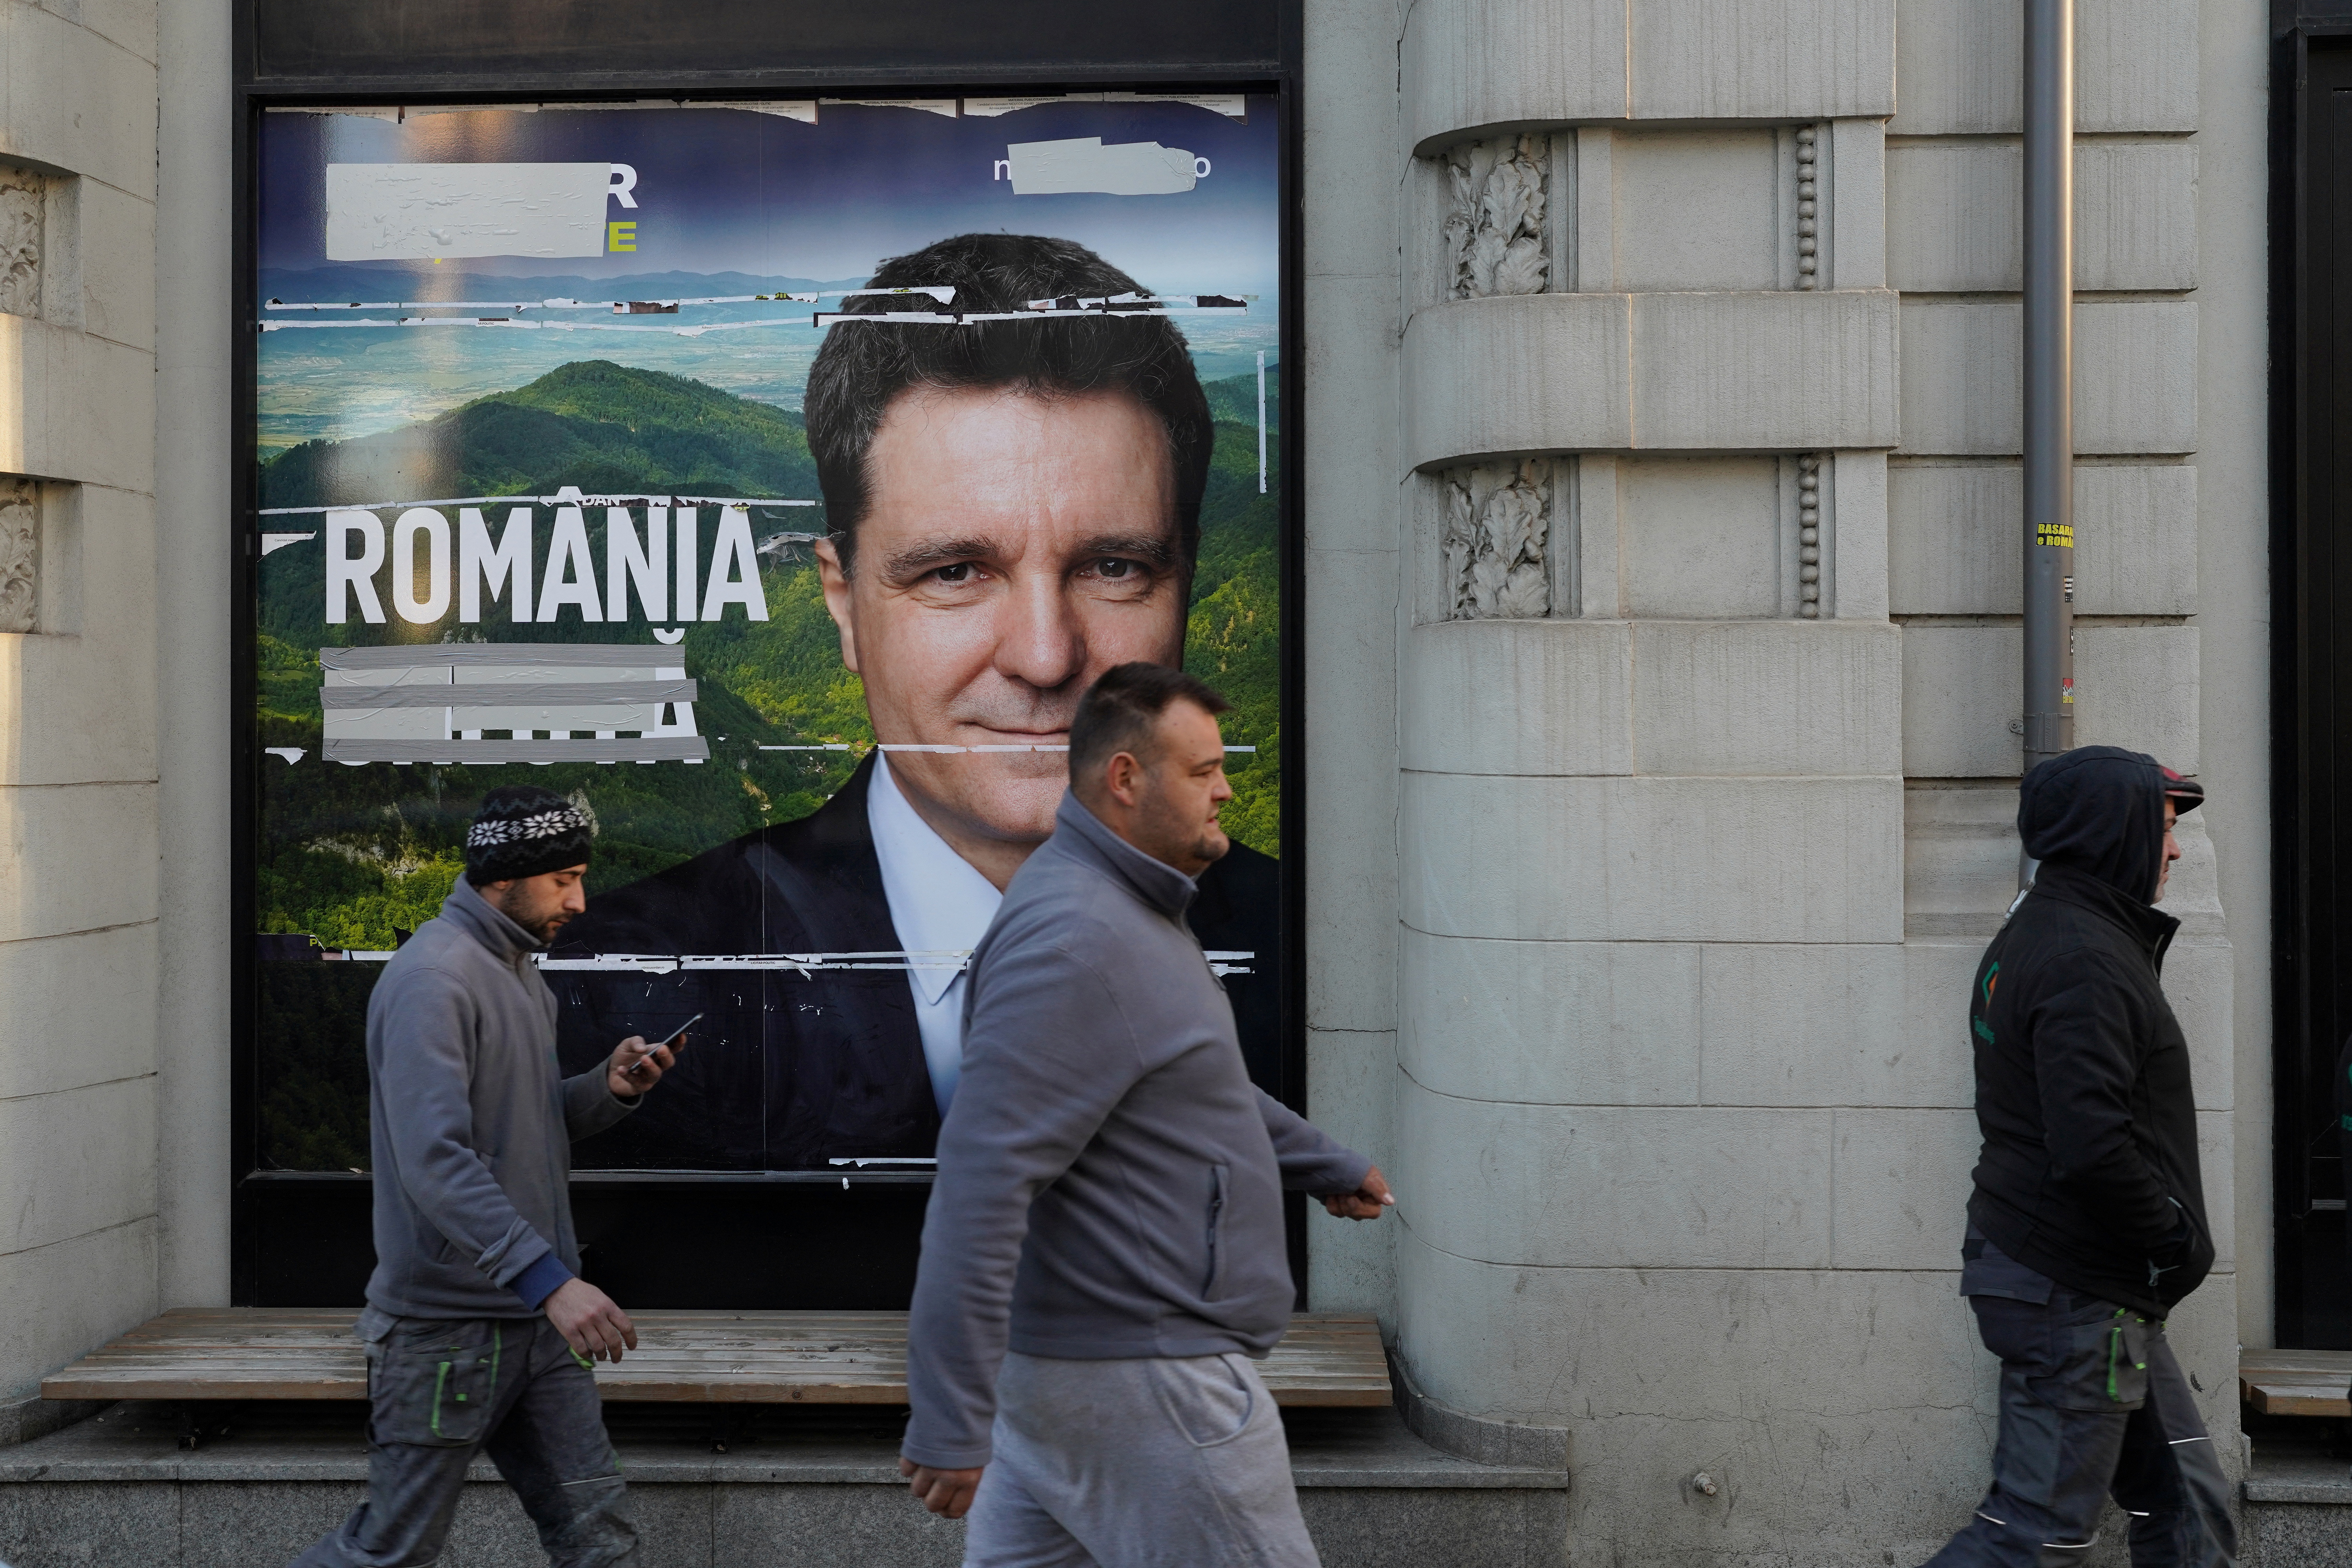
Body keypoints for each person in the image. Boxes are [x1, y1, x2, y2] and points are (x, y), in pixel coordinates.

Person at [549, 231, 1279, 1172]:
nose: (1047, 656)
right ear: (843, 603)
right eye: (957, 570)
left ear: (1185, 587)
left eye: (1114, 567)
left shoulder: (1301, 958)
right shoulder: (629, 987)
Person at [897, 662, 1391, 1568]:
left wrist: (1320, 1160)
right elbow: (983, 1177)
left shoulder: (1120, 908)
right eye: (1203, 769)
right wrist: (947, 1413)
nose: (1227, 787)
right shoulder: (1081, 938)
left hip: (1080, 1379)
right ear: (1127, 780)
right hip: (1144, 1383)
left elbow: (1183, 1089)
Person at [292, 785, 685, 1568]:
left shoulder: (518, 973)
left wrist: (608, 1089)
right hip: (445, 1332)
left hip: (535, 1323)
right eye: (562, 878)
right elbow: (434, 1158)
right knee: (391, 1551)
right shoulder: (431, 978)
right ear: (502, 875)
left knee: (600, 1540)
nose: (579, 898)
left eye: (581, 876)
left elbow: (522, 1125)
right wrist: (550, 1281)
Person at [1922, 747, 2234, 1567]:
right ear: (2113, 829)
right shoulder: (2082, 957)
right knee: (2033, 1534)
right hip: (2078, 1299)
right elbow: (2091, 1146)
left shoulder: (2064, 933)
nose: (2173, 848)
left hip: (2095, 1293)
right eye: (2164, 826)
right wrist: (2170, 1238)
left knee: (2189, 1503)